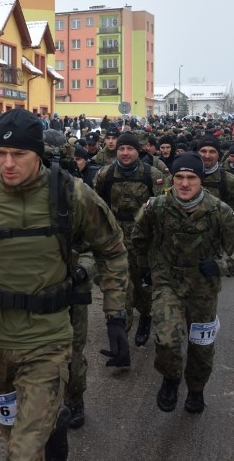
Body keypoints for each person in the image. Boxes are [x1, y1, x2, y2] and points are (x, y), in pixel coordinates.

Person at [0, 108, 129, 460]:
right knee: (13, 432)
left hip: (47, 338)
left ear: (38, 153)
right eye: (0, 154)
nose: (8, 164)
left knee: (23, 450)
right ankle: (54, 424)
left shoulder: (71, 194)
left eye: (19, 154)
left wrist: (116, 316)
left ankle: (50, 423)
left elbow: (112, 249)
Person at [132, 152, 234, 414]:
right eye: (179, 177)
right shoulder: (156, 207)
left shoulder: (219, 211)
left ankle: (196, 390)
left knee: (201, 347)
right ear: (172, 179)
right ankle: (170, 379)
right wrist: (145, 266)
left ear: (201, 180)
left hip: (202, 289)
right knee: (168, 339)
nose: (185, 184)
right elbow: (139, 238)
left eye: (191, 177)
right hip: (167, 283)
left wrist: (222, 266)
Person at [94, 132, 166, 345]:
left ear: (138, 151)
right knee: (120, 284)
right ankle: (121, 332)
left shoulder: (153, 175)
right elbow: (98, 206)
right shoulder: (105, 175)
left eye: (130, 149)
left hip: (143, 239)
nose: (125, 153)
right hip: (116, 238)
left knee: (143, 282)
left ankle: (145, 316)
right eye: (121, 149)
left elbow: (163, 209)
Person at [195, 135, 234, 233]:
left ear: (218, 155)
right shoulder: (182, 178)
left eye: (212, 151)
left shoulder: (232, 181)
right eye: (203, 151)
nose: (207, 156)